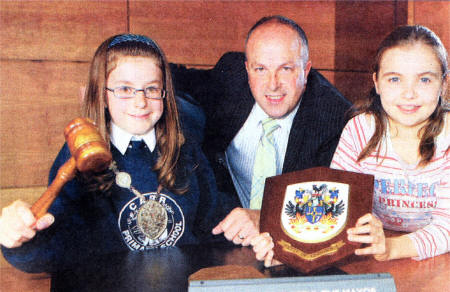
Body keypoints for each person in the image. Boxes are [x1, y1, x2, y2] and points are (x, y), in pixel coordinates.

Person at [0, 34, 232, 273]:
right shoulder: (77, 158)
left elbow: (213, 225)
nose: (140, 101)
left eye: (151, 88)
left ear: (165, 93)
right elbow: (52, 250)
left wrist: (245, 223)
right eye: (124, 89)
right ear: (101, 94)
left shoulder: (187, 149)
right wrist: (19, 242)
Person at [252, 25, 449, 266]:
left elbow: (447, 228)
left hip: (438, 260)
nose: (409, 94)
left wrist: (390, 247)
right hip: (375, 256)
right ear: (376, 82)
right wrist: (289, 250)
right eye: (395, 79)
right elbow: (337, 212)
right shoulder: (359, 130)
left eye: (425, 79)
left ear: (444, 84)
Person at [171, 15, 352, 245]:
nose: (272, 84)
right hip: (223, 238)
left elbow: (333, 210)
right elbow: (168, 76)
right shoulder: (230, 79)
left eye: (285, 69)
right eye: (260, 69)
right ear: (247, 69)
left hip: (294, 245)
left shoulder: (335, 118)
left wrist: (266, 219)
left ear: (306, 71)